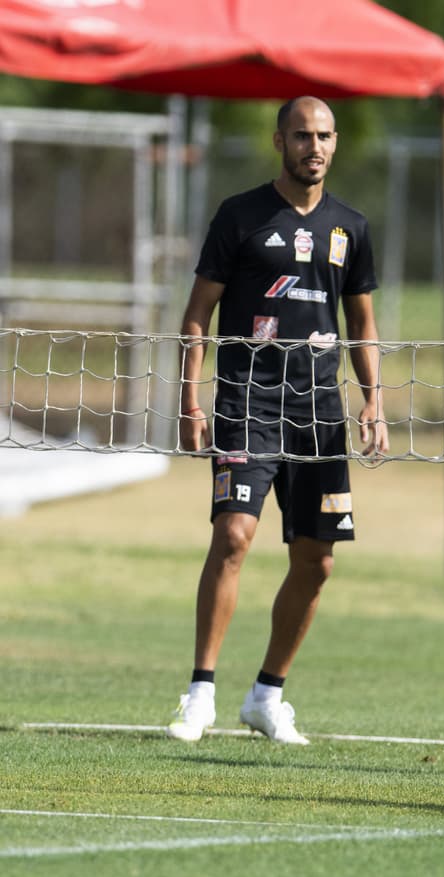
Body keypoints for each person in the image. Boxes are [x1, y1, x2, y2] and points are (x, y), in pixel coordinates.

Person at [164, 96, 389, 745]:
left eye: (322, 136)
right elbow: (195, 316)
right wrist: (190, 400)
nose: (312, 146)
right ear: (278, 141)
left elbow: (363, 324)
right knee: (234, 535)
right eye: (300, 135)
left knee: (317, 561)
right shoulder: (239, 216)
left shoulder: (352, 228)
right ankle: (199, 692)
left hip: (318, 413)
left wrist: (373, 399)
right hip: (246, 400)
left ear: (335, 143)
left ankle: (267, 694)